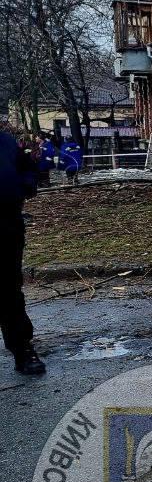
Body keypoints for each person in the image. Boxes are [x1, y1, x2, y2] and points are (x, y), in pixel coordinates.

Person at [1, 124, 42, 375]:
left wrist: (26, 183)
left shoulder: (5, 142)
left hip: (6, 226)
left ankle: (22, 348)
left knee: (8, 289)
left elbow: (27, 171)